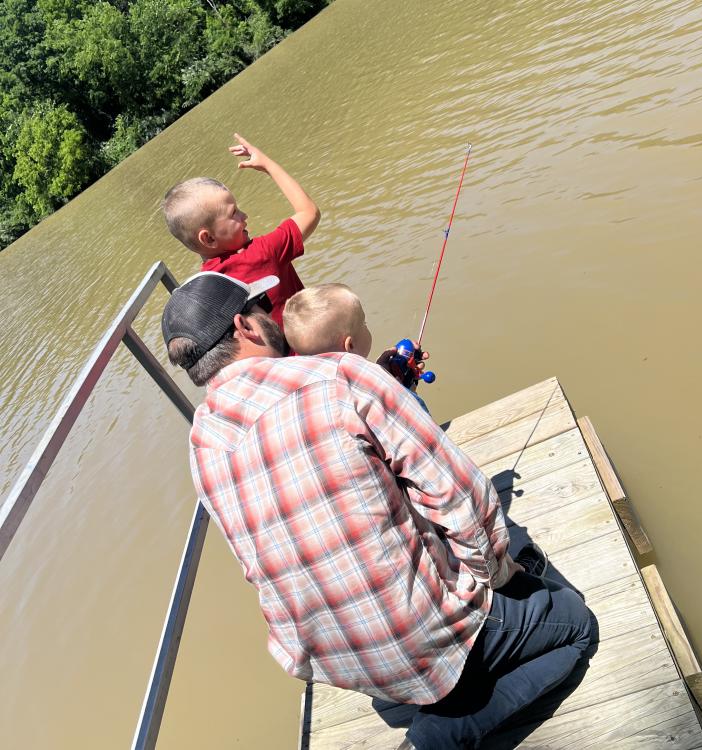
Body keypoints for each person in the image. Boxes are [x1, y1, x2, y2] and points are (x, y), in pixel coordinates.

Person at [161, 271, 592, 750]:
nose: (273, 316)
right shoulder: (339, 374)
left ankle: (410, 695)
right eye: (263, 309)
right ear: (244, 327)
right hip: (422, 634)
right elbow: (462, 498)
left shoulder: (201, 446)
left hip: (334, 661)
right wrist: (499, 576)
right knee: (575, 625)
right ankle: (437, 737)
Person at [161, 134, 320, 328]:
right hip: (312, 354)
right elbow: (309, 212)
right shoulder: (263, 253)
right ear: (209, 238)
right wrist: (268, 165)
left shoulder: (205, 291)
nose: (245, 216)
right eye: (234, 213)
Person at [282, 282, 431, 412]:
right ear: (350, 345)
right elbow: (419, 423)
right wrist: (408, 390)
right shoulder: (370, 394)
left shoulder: (309, 396)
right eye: (364, 324)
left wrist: (382, 371)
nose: (366, 326)